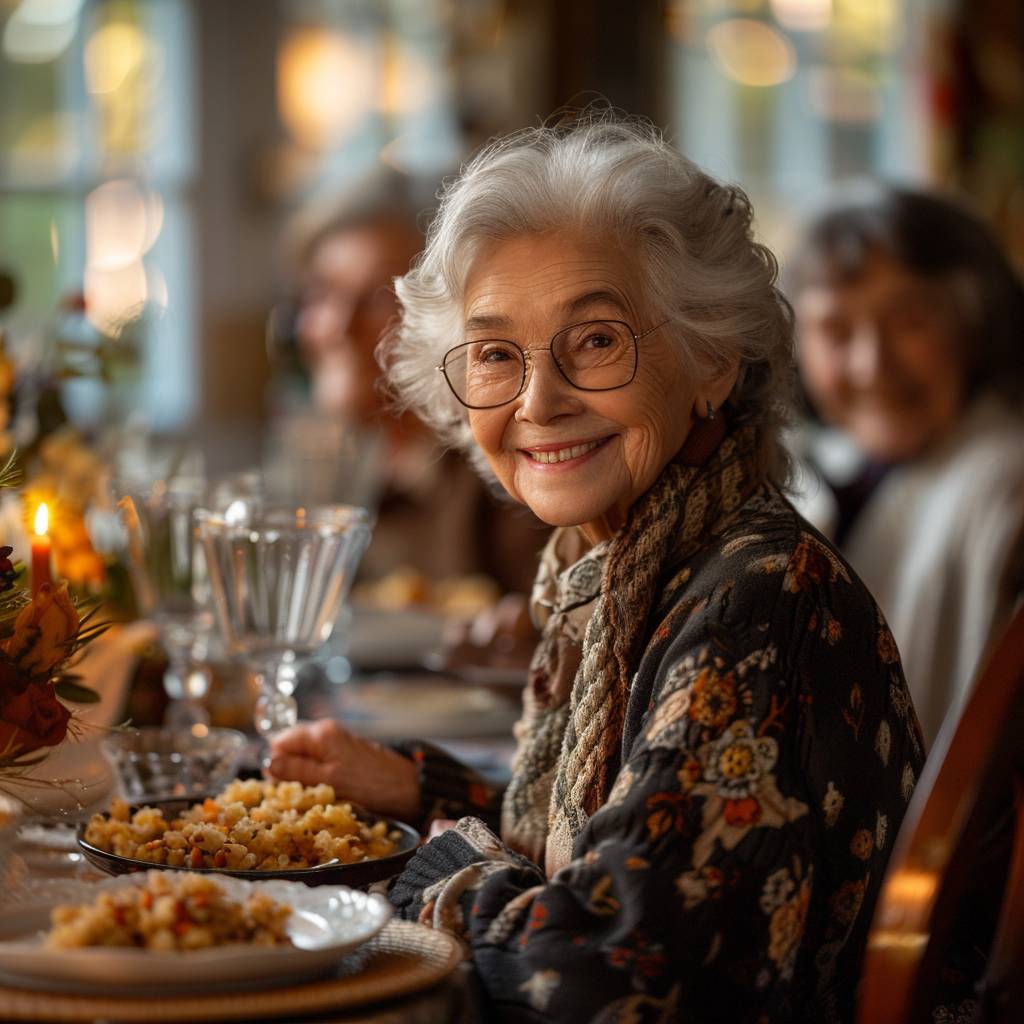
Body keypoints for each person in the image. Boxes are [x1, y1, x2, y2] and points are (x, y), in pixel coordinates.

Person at [268, 116, 927, 1023]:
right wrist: (425, 792)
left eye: (598, 340)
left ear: (710, 357)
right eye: (498, 354)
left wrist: (439, 864)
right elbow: (646, 823)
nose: (539, 401)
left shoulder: (757, 600)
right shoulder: (628, 568)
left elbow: (605, 972)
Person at [787, 183, 1024, 748]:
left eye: (911, 320)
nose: (872, 366)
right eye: (836, 331)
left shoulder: (1007, 485)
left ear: (976, 323)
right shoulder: (817, 474)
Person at [271, 168, 547, 594]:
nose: (340, 326)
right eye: (323, 293)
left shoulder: (512, 473)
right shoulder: (323, 461)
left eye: (381, 298)